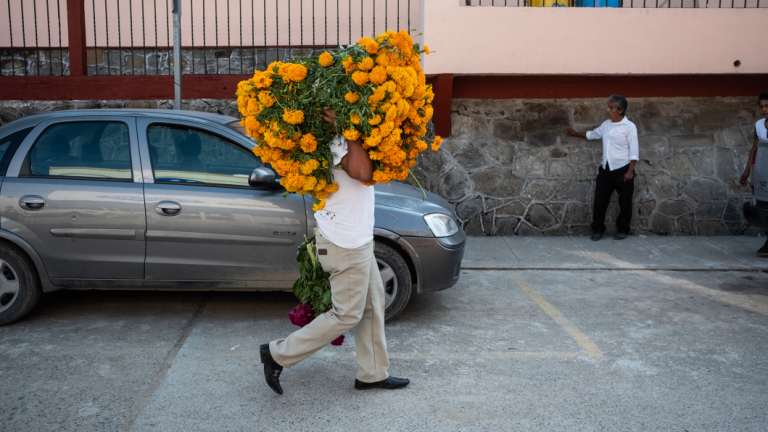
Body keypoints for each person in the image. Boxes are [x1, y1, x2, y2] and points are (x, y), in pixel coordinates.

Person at [259, 108, 409, 394]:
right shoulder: (336, 142)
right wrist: (350, 130)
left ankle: (372, 373)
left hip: (357, 239)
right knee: (347, 315)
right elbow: (363, 174)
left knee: (372, 306)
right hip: (345, 243)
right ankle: (277, 353)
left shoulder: (346, 138)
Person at [566, 95, 639, 241]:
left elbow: (634, 150)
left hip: (623, 169)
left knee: (625, 203)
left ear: (620, 110)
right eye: (609, 107)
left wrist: (630, 171)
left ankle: (623, 229)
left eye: (611, 107)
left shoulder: (629, 127)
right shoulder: (606, 124)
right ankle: (598, 229)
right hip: (605, 169)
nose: (608, 110)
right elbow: (593, 134)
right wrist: (575, 134)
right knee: (600, 201)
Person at [740, 92, 768, 257]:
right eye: (762, 106)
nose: (765, 109)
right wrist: (747, 170)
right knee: (763, 207)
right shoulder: (758, 125)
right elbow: (754, 148)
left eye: (767, 106)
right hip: (761, 170)